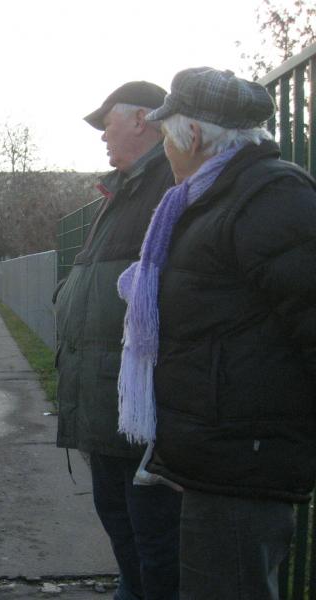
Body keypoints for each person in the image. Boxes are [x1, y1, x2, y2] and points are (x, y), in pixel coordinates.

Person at [118, 67, 316, 600]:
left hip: (244, 461)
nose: (165, 148)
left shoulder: (270, 197)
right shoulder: (210, 199)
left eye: (166, 134)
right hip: (215, 453)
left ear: (193, 135)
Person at [53, 81, 181, 599]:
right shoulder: (124, 190)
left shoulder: (169, 184)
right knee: (123, 526)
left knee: (152, 539)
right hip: (108, 398)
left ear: (142, 119)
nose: (103, 136)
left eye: (108, 123)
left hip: (139, 406)